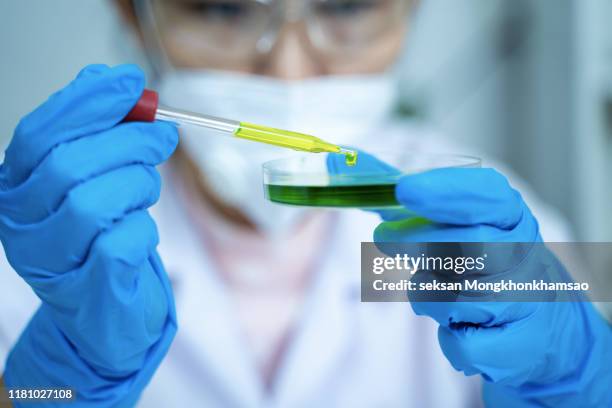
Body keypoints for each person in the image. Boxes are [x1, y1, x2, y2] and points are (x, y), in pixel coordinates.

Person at [0, 0, 610, 406]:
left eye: (344, 4)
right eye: (224, 6)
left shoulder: (502, 232)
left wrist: (576, 380)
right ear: (134, 14)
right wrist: (51, 390)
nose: (288, 70)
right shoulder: (41, 243)